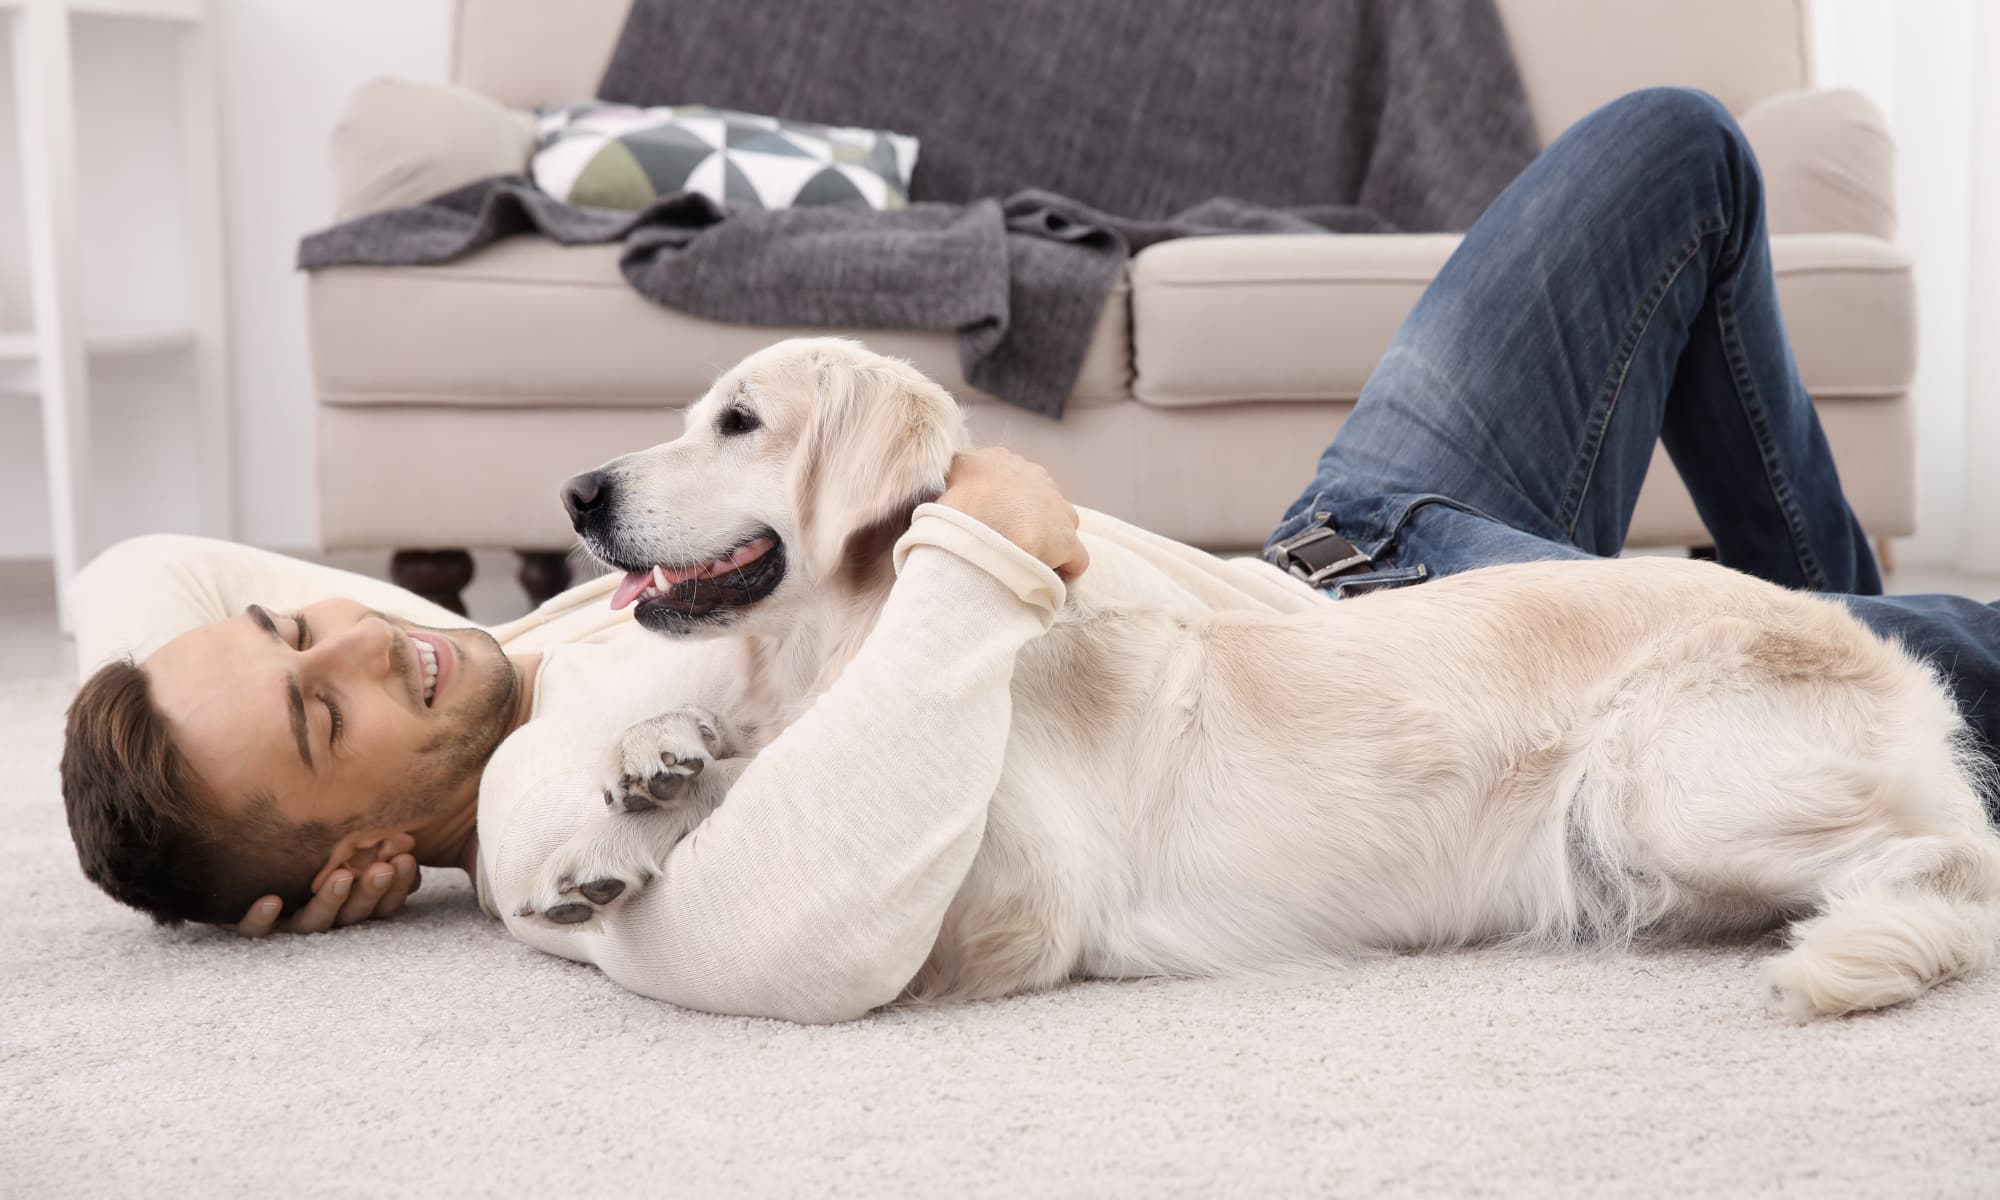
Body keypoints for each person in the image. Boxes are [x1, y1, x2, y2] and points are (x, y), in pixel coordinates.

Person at [57, 88, 2000, 1021]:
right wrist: (978, 547)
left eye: (299, 621)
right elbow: (786, 939)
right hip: (1413, 701)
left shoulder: (494, 632)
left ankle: (1821, 641)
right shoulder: (574, 805)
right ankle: (1869, 692)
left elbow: (141, 578)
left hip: (1335, 555)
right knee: (1856, 693)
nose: (359, 644)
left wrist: (244, 714)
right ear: (356, 864)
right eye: (318, 721)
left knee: (1674, 155)